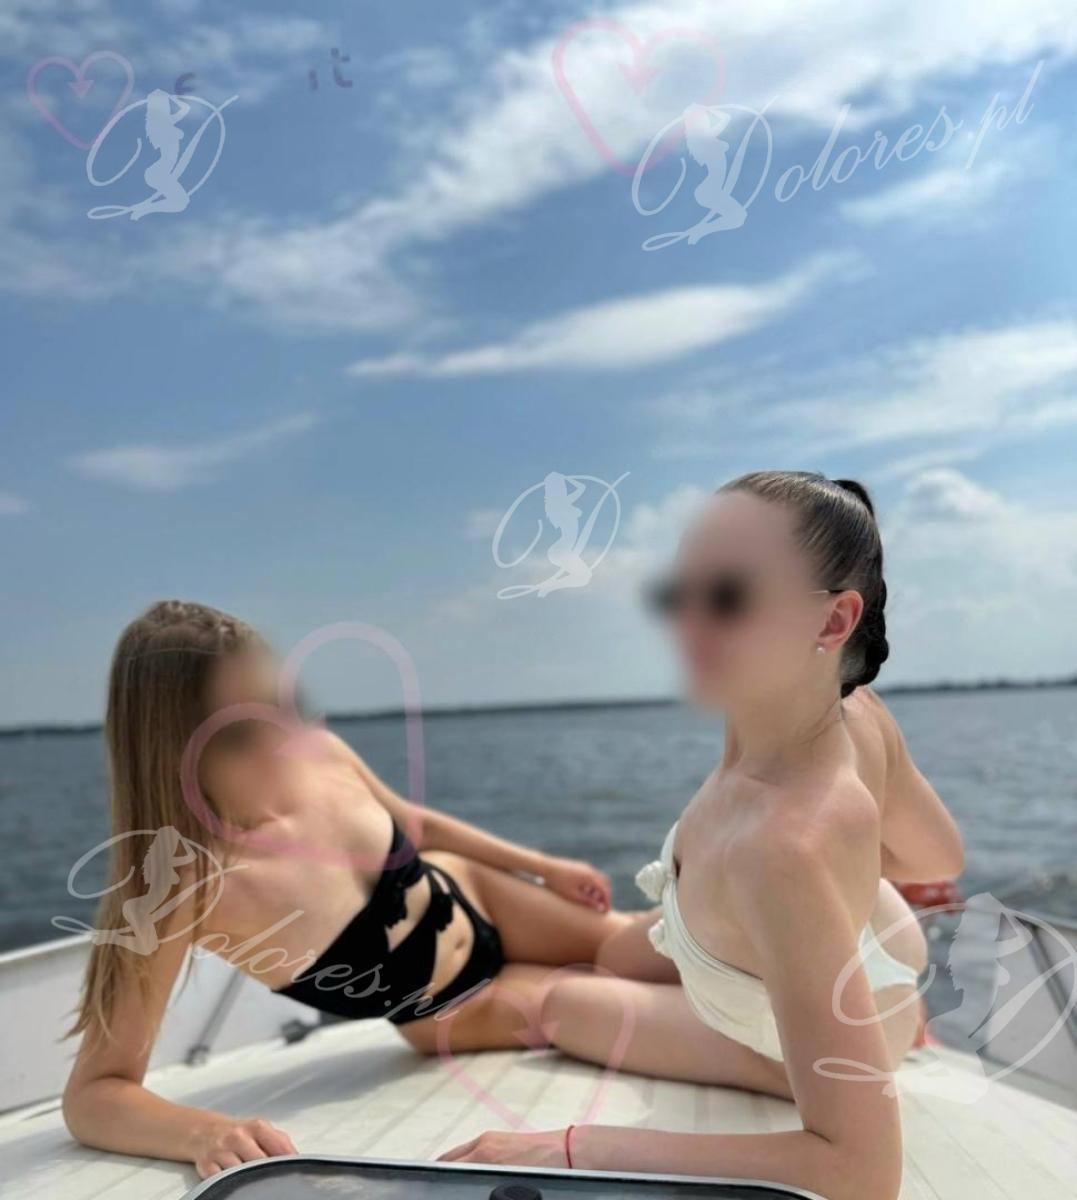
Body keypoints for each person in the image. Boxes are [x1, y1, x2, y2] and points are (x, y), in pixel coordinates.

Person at [441, 471, 964, 1200]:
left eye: (726, 597)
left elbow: (860, 1172)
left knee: (555, 1003)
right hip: (873, 963)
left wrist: (570, 1147)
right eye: (677, 594)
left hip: (824, 1038)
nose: (687, 625)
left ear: (831, 622)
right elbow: (938, 856)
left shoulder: (784, 847)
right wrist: (832, 888)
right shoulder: (854, 713)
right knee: (604, 947)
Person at [62, 600, 635, 1179]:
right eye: (237, 734)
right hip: (451, 1007)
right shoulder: (178, 887)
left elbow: (417, 826)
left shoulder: (322, 755)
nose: (279, 740)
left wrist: (542, 866)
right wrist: (204, 1132)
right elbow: (94, 1092)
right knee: (619, 1007)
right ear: (168, 749)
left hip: (480, 896)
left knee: (650, 946)